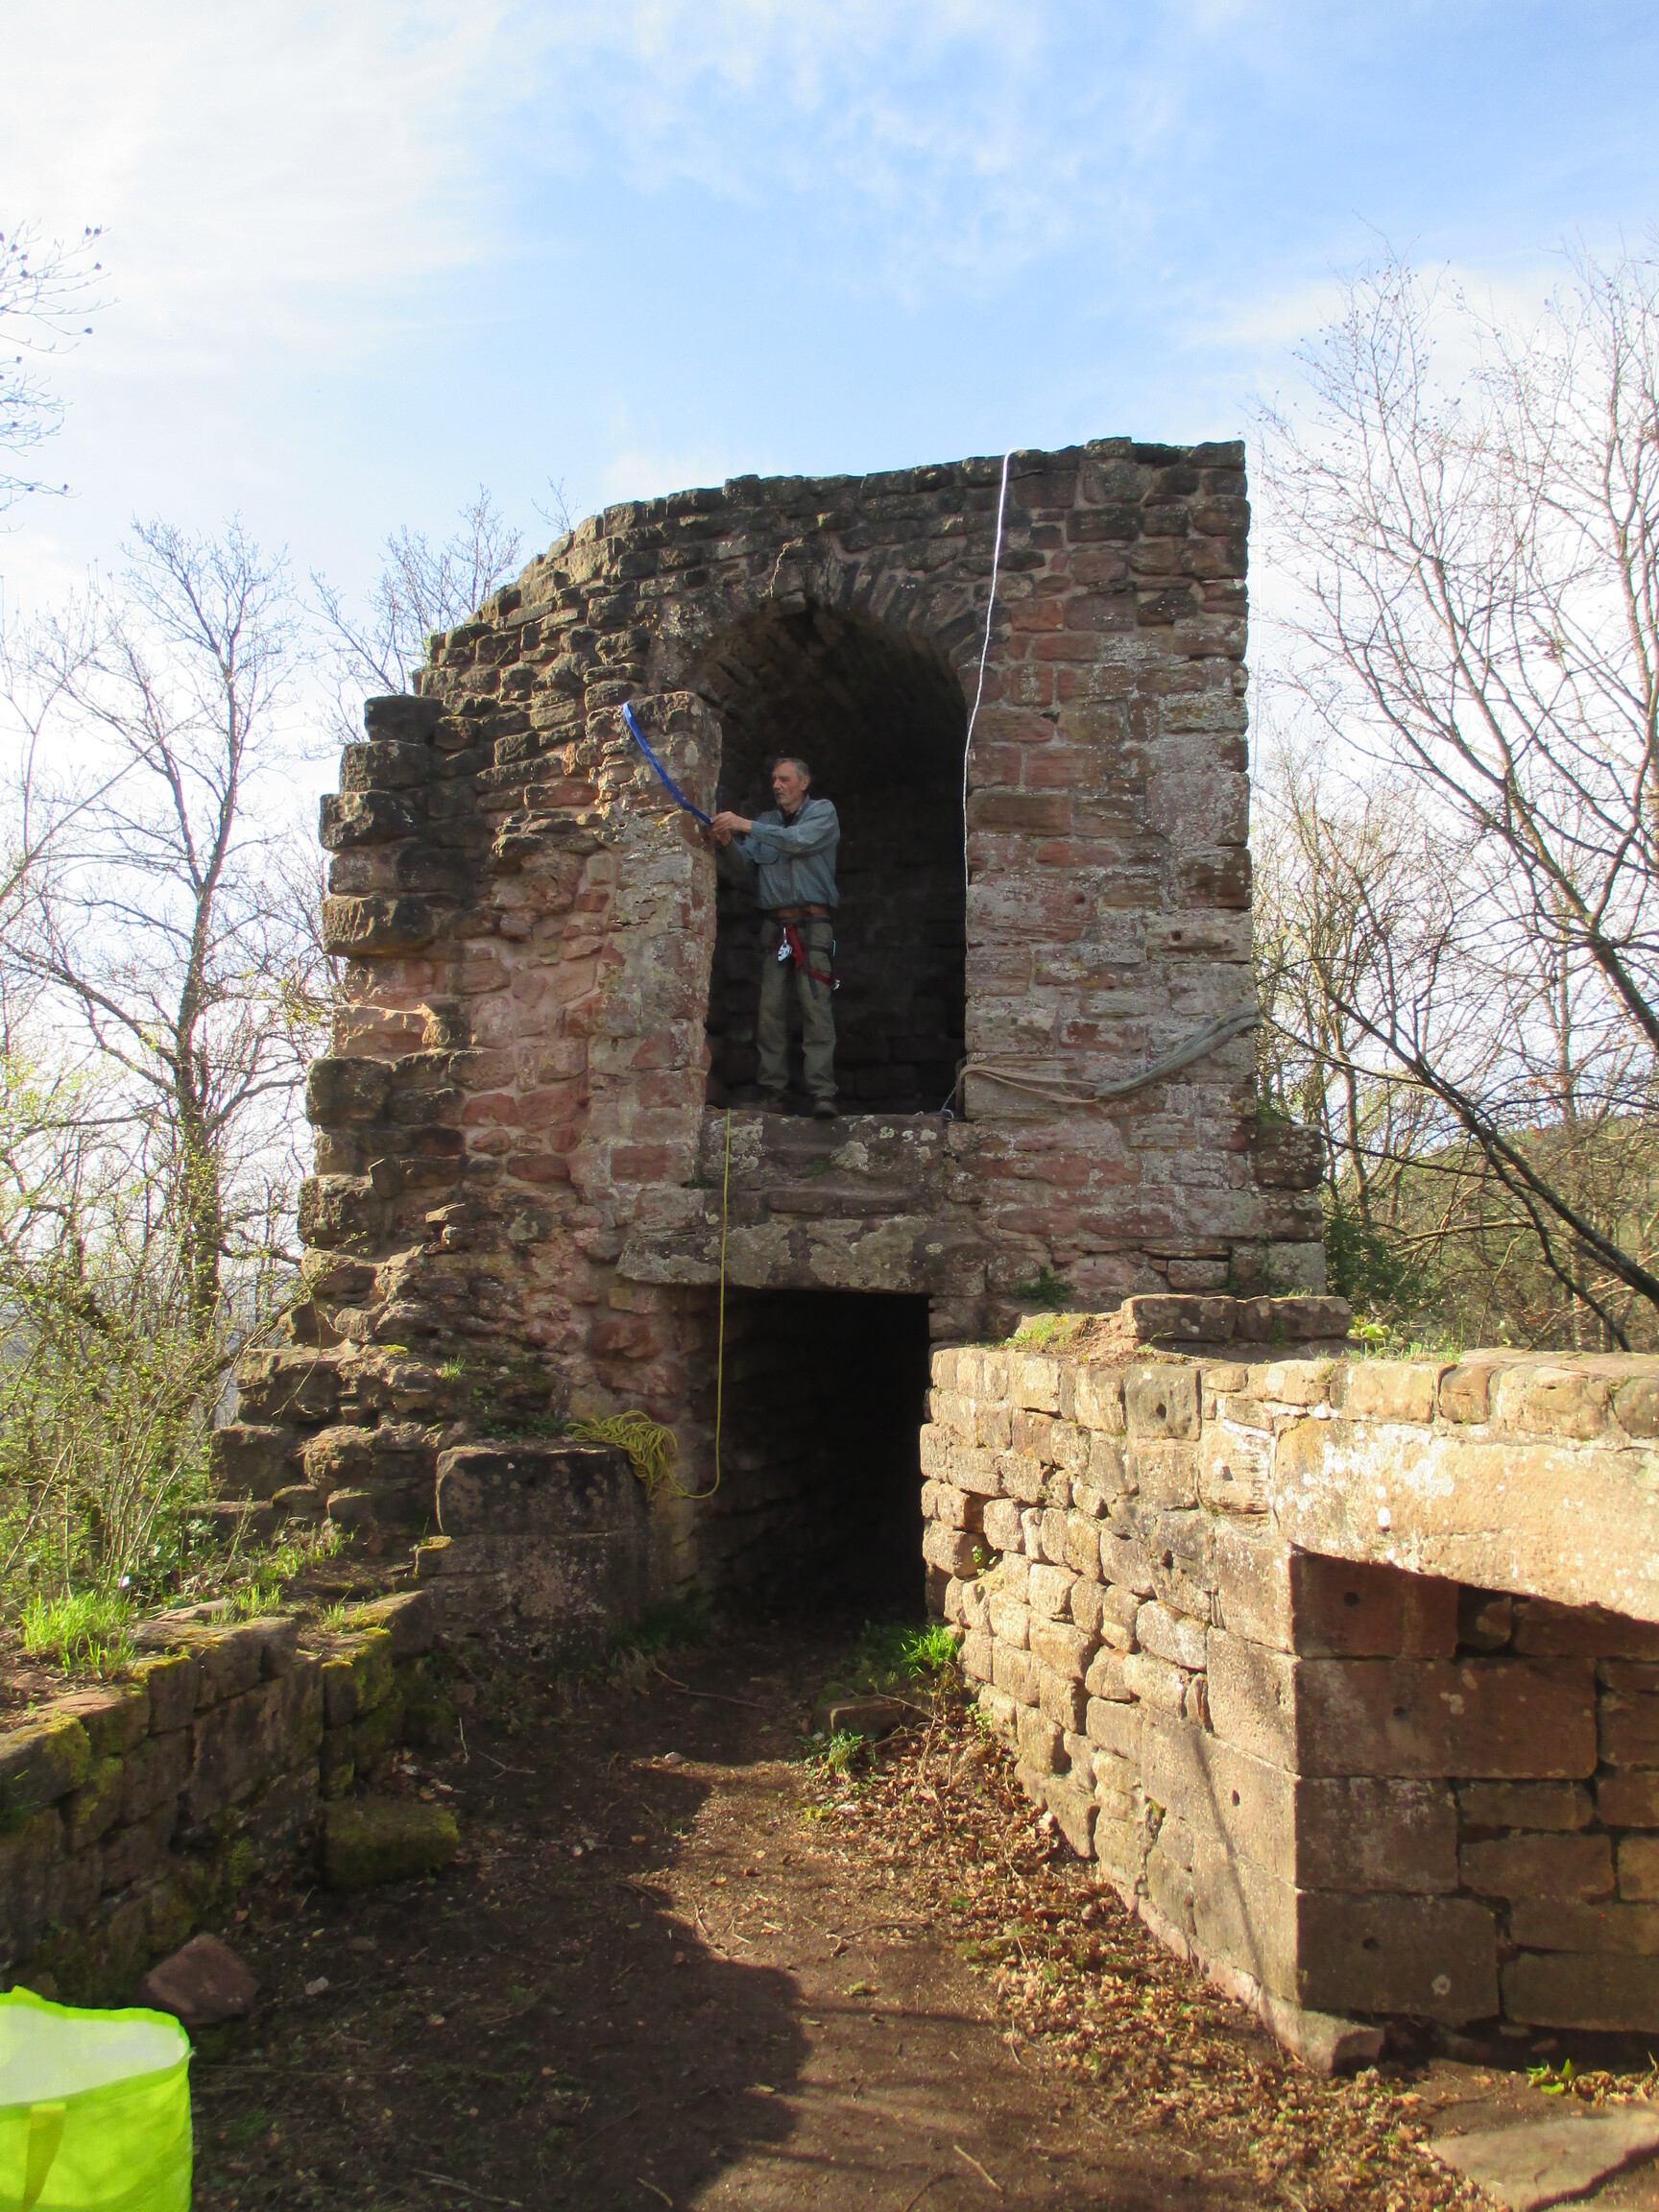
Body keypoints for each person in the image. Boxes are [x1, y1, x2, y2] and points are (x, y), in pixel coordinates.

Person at [709, 757, 840, 1118]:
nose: (777, 786)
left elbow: (798, 841)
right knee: (770, 1013)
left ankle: (823, 1094)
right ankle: (773, 1095)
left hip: (813, 925)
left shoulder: (823, 813)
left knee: (816, 1009)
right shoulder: (767, 821)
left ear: (804, 782)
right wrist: (727, 842)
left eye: (784, 779)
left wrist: (745, 825)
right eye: (773, 780)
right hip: (775, 929)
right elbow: (743, 871)